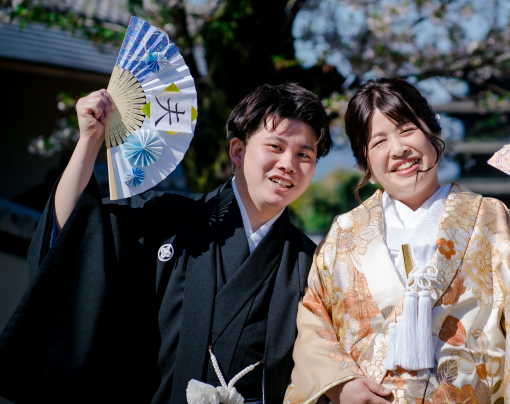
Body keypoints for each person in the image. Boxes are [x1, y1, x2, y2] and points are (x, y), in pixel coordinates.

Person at [0, 83, 332, 404]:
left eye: (304, 153)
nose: (288, 164)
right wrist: (89, 141)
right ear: (238, 151)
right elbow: (75, 235)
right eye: (275, 147)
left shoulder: (312, 262)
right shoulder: (165, 218)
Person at [284, 78, 510, 404]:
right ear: (365, 163)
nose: (398, 149)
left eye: (407, 130)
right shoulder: (344, 236)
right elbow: (314, 319)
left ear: (434, 133)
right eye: (378, 142)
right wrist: (340, 383)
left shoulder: (490, 220)